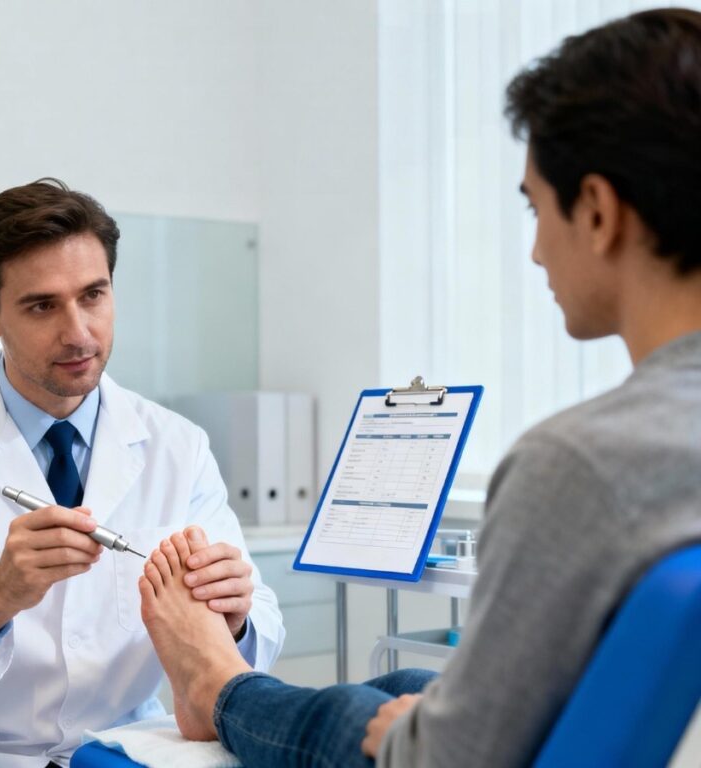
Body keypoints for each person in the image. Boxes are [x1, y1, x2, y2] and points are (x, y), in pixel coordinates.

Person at [138, 8, 701, 767]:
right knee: (403, 679)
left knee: (364, 718)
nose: (535, 251)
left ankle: (217, 686)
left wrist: (410, 734)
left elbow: (442, 761)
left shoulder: (585, 463)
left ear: (598, 211)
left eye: (536, 209)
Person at [0, 179, 286, 768]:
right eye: (42, 305)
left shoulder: (179, 445)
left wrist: (237, 616)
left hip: (128, 744)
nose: (78, 333)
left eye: (93, 295)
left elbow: (262, 632)